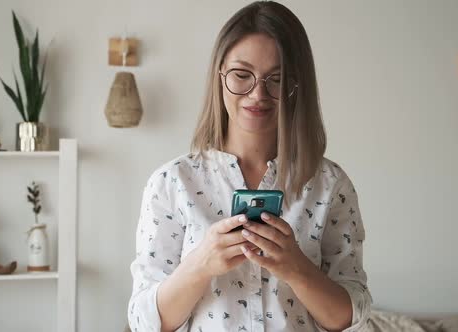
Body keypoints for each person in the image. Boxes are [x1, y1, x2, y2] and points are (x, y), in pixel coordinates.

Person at [128, 2, 372, 331]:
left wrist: (296, 268)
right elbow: (144, 321)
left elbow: (352, 316)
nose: (258, 94)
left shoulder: (329, 185)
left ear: (297, 85)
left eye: (276, 79)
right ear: (220, 76)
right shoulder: (172, 183)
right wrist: (200, 265)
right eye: (242, 75)